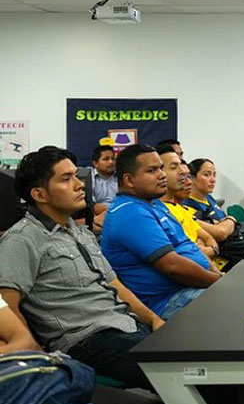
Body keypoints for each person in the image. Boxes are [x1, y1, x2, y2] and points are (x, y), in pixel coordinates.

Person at [0, 146, 162, 389]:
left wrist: (154, 319)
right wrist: (39, 359)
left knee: (195, 355)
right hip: (87, 340)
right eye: (66, 179)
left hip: (124, 325)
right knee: (185, 370)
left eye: (76, 176)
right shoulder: (22, 239)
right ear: (40, 194)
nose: (79, 184)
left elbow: (114, 285)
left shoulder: (79, 231)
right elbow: (8, 306)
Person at [102, 144, 221, 320]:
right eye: (152, 171)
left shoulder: (156, 204)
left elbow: (188, 246)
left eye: (161, 168)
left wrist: (218, 275)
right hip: (169, 301)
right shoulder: (129, 213)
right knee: (241, 302)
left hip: (191, 289)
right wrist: (219, 283)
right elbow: (172, 266)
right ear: (129, 180)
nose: (162, 175)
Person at [158, 149, 228, 271]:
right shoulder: (161, 211)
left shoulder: (180, 208)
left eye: (188, 176)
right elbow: (218, 234)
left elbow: (209, 240)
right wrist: (231, 220)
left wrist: (209, 248)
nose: (187, 181)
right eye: (174, 167)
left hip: (212, 270)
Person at [183, 158, 244, 262]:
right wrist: (231, 219)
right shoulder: (188, 207)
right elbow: (221, 233)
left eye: (214, 175)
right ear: (192, 178)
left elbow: (221, 226)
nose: (213, 180)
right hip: (225, 256)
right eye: (207, 175)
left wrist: (226, 223)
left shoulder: (208, 198)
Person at [90, 144, 117, 227]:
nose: (111, 162)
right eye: (106, 159)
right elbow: (92, 206)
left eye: (113, 159)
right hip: (97, 217)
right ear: (95, 163)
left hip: (120, 214)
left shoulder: (122, 177)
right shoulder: (88, 178)